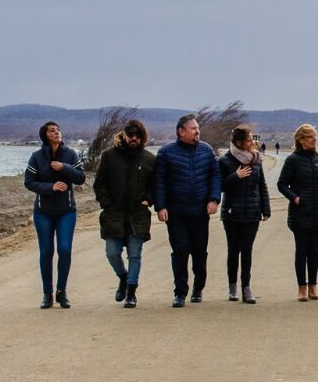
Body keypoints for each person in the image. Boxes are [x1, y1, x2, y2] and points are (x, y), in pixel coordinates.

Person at [154, 113, 222, 308]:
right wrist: (161, 206)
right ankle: (180, 292)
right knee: (180, 251)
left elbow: (215, 176)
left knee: (199, 252)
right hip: (176, 213)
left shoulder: (206, 150)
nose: (198, 132)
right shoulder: (166, 153)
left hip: (200, 211)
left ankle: (198, 288)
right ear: (181, 131)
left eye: (198, 128)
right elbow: (159, 181)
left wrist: (214, 199)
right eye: (193, 129)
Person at [92, 118, 154, 309]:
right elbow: (99, 183)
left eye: (137, 135)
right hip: (114, 213)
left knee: (135, 254)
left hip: (138, 213)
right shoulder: (109, 156)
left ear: (142, 137)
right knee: (112, 253)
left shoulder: (149, 159)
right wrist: (107, 203)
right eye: (130, 135)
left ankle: (131, 293)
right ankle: (123, 277)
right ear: (124, 135)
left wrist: (148, 201)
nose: (133, 138)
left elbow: (156, 185)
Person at [24, 121, 85, 309]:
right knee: (47, 251)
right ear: (45, 135)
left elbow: (81, 177)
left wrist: (64, 168)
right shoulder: (37, 157)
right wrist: (50, 187)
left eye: (58, 130)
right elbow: (28, 182)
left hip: (66, 211)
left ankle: (62, 292)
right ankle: (47, 294)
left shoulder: (70, 154)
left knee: (65, 249)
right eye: (52, 131)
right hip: (43, 212)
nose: (57, 132)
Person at [278, 123, 318, 301]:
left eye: (315, 136)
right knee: (302, 251)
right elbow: (281, 184)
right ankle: (301, 286)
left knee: (314, 252)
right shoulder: (292, 160)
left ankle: (313, 286)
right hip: (300, 213)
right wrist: (295, 198)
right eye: (310, 136)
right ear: (301, 140)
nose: (314, 139)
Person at [219, 124, 271, 304]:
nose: (252, 142)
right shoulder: (225, 161)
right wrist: (236, 176)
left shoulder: (256, 160)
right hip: (232, 213)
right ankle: (232, 285)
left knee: (247, 250)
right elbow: (219, 186)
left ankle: (246, 287)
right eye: (249, 140)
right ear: (239, 142)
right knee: (234, 250)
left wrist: (266, 208)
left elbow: (262, 185)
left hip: (253, 212)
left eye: (252, 139)